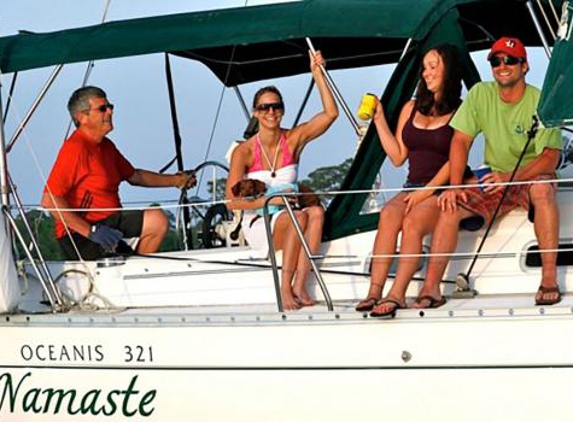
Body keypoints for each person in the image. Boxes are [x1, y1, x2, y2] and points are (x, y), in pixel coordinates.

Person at [414, 37, 562, 308]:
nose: (502, 66)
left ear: (524, 67)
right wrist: (455, 186)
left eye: (510, 60)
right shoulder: (481, 93)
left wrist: (510, 179)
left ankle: (549, 278)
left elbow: (550, 158)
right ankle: (431, 288)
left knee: (542, 189)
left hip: (529, 176)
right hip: (495, 176)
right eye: (496, 61)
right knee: (449, 206)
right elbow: (460, 141)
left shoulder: (542, 102)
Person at [355, 44, 470, 316]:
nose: (427, 73)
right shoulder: (411, 107)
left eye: (433, 67)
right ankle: (374, 292)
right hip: (413, 186)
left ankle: (397, 294)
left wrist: (426, 193)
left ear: (448, 71)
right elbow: (397, 156)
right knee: (387, 215)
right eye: (425, 67)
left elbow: (456, 159)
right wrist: (380, 119)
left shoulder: (462, 110)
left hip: (441, 188)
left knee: (412, 222)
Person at [225, 50, 338, 310]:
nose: (271, 112)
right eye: (264, 107)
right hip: (259, 219)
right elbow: (232, 203)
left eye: (276, 106)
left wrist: (318, 75)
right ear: (255, 112)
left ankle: (301, 283)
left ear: (283, 110)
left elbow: (330, 115)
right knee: (299, 217)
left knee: (317, 213)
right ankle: (284, 288)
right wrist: (269, 200)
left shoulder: (293, 139)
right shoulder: (244, 151)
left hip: (289, 215)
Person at [42, 86, 197, 260]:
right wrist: (91, 231)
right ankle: (137, 273)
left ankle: (137, 273)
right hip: (82, 235)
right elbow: (49, 200)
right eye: (103, 108)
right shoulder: (75, 148)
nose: (110, 112)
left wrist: (177, 180)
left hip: (111, 222)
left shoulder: (106, 146)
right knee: (157, 219)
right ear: (82, 117)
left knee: (157, 221)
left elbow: (135, 176)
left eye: (110, 107)